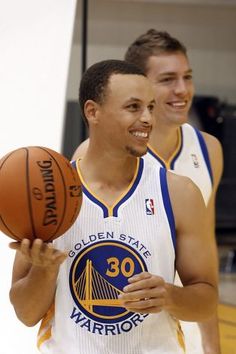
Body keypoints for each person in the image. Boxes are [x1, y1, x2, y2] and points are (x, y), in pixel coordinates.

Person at [9, 59, 218, 354]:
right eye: (133, 107)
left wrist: (170, 296)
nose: (147, 119)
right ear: (93, 111)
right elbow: (26, 315)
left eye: (150, 107)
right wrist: (43, 271)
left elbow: (207, 300)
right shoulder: (48, 195)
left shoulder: (179, 193)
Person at [72, 30, 223, 354]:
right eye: (168, 79)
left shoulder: (208, 150)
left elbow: (205, 250)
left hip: (186, 314)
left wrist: (212, 343)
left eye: (187, 77)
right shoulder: (93, 154)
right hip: (125, 325)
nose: (182, 90)